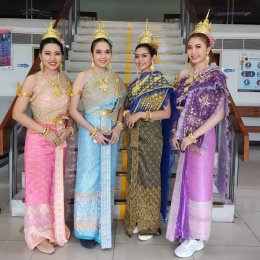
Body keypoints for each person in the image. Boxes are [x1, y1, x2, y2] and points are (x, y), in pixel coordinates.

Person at [166, 11, 230, 258]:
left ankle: (197, 236)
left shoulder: (216, 76)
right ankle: (187, 229)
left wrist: (193, 135)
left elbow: (218, 113)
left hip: (202, 138)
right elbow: (178, 107)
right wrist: (176, 132)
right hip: (184, 136)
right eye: (190, 47)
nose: (193, 52)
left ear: (208, 48)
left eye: (198, 47)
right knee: (186, 181)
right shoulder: (184, 75)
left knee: (200, 183)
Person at [12, 22, 72, 254]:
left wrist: (69, 129)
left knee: (54, 187)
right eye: (47, 53)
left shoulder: (67, 82)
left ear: (62, 56)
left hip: (60, 142)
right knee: (38, 187)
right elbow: (17, 114)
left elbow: (71, 116)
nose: (53, 58)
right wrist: (45, 131)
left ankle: (52, 227)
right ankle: (38, 234)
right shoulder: (33, 80)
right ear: (40, 56)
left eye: (57, 53)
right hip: (39, 139)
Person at [69, 22, 126, 249]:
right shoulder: (82, 77)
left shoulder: (117, 79)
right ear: (92, 53)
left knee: (106, 177)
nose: (103, 56)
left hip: (111, 133)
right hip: (90, 130)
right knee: (87, 174)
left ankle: (103, 226)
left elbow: (121, 107)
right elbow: (73, 110)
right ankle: (85, 230)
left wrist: (119, 126)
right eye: (99, 52)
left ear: (111, 54)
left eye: (107, 52)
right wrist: (93, 130)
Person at [124, 21, 178, 241]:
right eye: (137, 56)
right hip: (134, 136)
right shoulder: (134, 84)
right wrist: (128, 113)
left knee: (149, 178)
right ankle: (135, 219)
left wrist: (140, 115)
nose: (139, 60)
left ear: (153, 58)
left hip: (152, 137)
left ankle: (149, 224)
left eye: (144, 56)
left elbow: (166, 113)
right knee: (134, 177)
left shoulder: (159, 81)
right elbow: (127, 107)